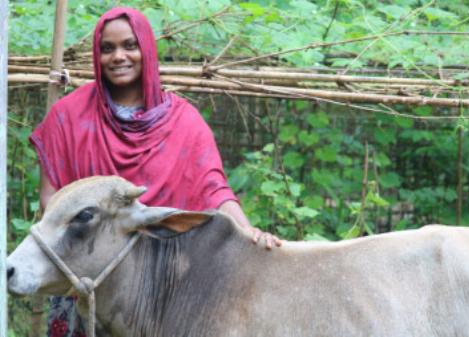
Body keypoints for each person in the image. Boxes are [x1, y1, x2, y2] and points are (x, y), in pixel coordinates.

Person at [30, 7, 281, 337]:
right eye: (107, 48)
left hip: (159, 289)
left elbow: (214, 190)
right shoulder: (69, 116)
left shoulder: (183, 122)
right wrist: (89, 251)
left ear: (146, 49)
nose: (119, 56)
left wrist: (249, 233)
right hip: (85, 280)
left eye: (129, 45)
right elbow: (52, 200)